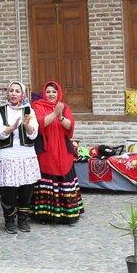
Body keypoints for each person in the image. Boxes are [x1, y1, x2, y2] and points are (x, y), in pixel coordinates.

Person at [30, 80, 82, 223]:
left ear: (59, 93)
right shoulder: (38, 106)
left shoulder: (64, 107)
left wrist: (60, 115)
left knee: (64, 174)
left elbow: (69, 126)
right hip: (46, 149)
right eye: (48, 92)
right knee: (47, 177)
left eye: (54, 91)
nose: (51, 94)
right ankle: (44, 215)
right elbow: (40, 125)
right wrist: (54, 113)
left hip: (63, 148)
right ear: (44, 94)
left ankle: (67, 214)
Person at [0, 81, 40, 234]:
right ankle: (9, 220)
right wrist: (11, 128)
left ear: (23, 94)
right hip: (8, 156)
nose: (14, 93)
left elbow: (34, 133)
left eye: (17, 91)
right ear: (8, 93)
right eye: (11, 91)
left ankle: (23, 219)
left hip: (26, 155)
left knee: (26, 190)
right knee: (9, 192)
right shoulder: (0, 111)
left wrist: (26, 125)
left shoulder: (29, 111)